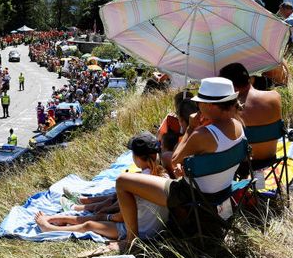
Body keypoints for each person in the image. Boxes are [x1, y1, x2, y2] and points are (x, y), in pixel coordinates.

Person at [115, 78, 246, 240]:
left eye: (200, 103)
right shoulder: (239, 126)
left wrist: (191, 128)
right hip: (223, 190)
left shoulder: (203, 135)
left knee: (122, 181)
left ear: (210, 105)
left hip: (192, 195)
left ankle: (130, 240)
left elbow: (174, 159)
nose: (198, 107)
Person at [35, 133, 169, 241]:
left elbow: (123, 217)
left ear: (137, 158)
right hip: (153, 227)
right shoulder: (163, 175)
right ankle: (65, 213)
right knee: (104, 209)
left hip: (142, 232)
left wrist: (104, 216)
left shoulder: (139, 182)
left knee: (90, 225)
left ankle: (50, 227)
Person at [219, 62, 283, 187]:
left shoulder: (231, 111)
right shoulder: (275, 96)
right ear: (249, 78)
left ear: (230, 86)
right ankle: (259, 186)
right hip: (271, 157)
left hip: (246, 164)